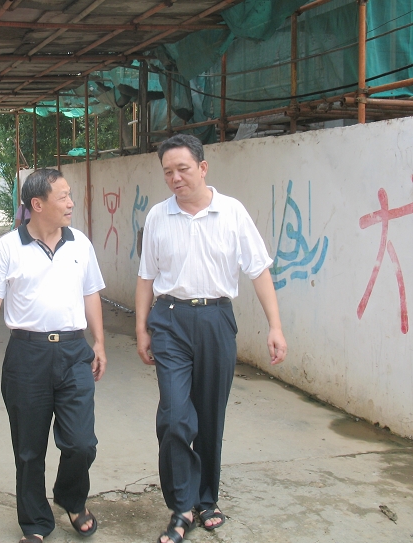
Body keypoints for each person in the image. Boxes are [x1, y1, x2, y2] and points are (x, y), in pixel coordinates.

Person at [135, 134, 287, 543]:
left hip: (217, 318)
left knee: (209, 416)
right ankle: (182, 505)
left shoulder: (232, 212)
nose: (175, 178)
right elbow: (146, 276)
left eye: (183, 169)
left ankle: (206, 499)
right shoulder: (158, 216)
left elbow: (258, 270)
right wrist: (141, 328)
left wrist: (274, 326)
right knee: (174, 416)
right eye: (168, 172)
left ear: (202, 168)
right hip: (170, 320)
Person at [0, 169, 107, 543]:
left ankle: (71, 497)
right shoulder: (8, 247)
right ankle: (35, 523)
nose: (71, 203)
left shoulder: (80, 244)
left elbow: (91, 293)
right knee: (29, 449)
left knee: (81, 443)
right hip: (27, 354)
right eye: (63, 196)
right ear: (37, 204)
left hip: (73, 351)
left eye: (70, 195)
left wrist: (99, 342)